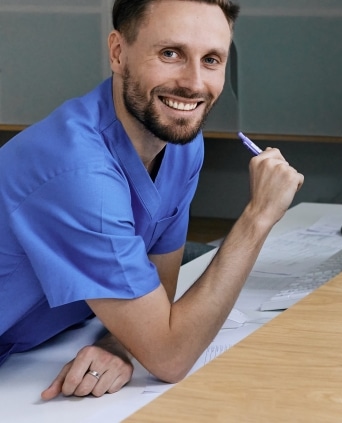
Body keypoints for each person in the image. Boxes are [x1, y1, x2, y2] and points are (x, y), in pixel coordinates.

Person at [0, 0, 303, 400]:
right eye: (170, 54)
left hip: (42, 347)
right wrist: (258, 216)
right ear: (117, 52)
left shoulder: (178, 140)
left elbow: (159, 289)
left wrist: (120, 341)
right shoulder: (77, 172)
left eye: (211, 59)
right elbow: (169, 357)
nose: (194, 83)